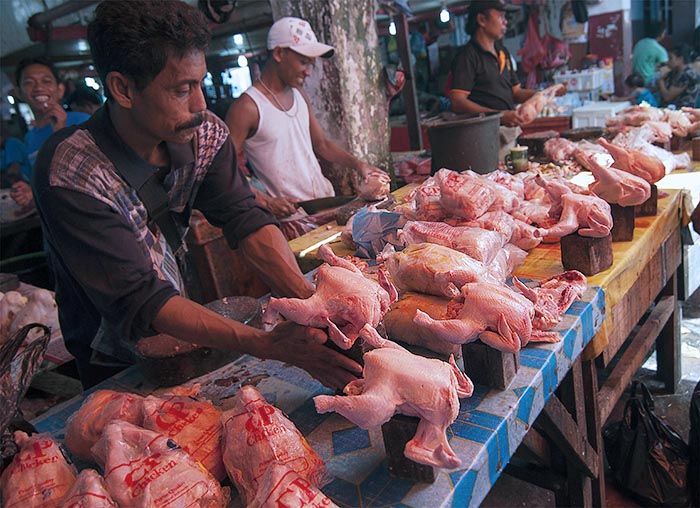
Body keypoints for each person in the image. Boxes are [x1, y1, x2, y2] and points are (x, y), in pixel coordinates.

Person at [31, 0, 361, 390]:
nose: (200, 104)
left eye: (200, 83)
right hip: (114, 361)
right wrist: (268, 344)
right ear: (123, 88)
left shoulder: (205, 135)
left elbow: (246, 219)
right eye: (181, 89)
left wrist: (311, 305)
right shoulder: (72, 171)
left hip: (180, 335)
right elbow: (142, 300)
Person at [225, 17, 389, 223]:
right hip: (293, 217)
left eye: (311, 64)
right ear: (278, 53)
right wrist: (266, 201)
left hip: (325, 204)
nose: (308, 71)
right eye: (303, 62)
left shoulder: (299, 94)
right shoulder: (248, 107)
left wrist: (359, 166)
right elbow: (224, 170)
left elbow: (322, 145)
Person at [16, 57, 91, 166]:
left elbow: (93, 168)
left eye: (46, 81)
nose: (39, 88)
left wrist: (60, 129)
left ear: (60, 90)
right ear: (19, 93)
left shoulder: (83, 121)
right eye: (29, 82)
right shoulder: (29, 138)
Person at [631, 21, 668, 86]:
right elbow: (667, 63)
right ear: (662, 34)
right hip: (648, 79)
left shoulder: (640, 43)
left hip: (635, 77)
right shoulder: (658, 48)